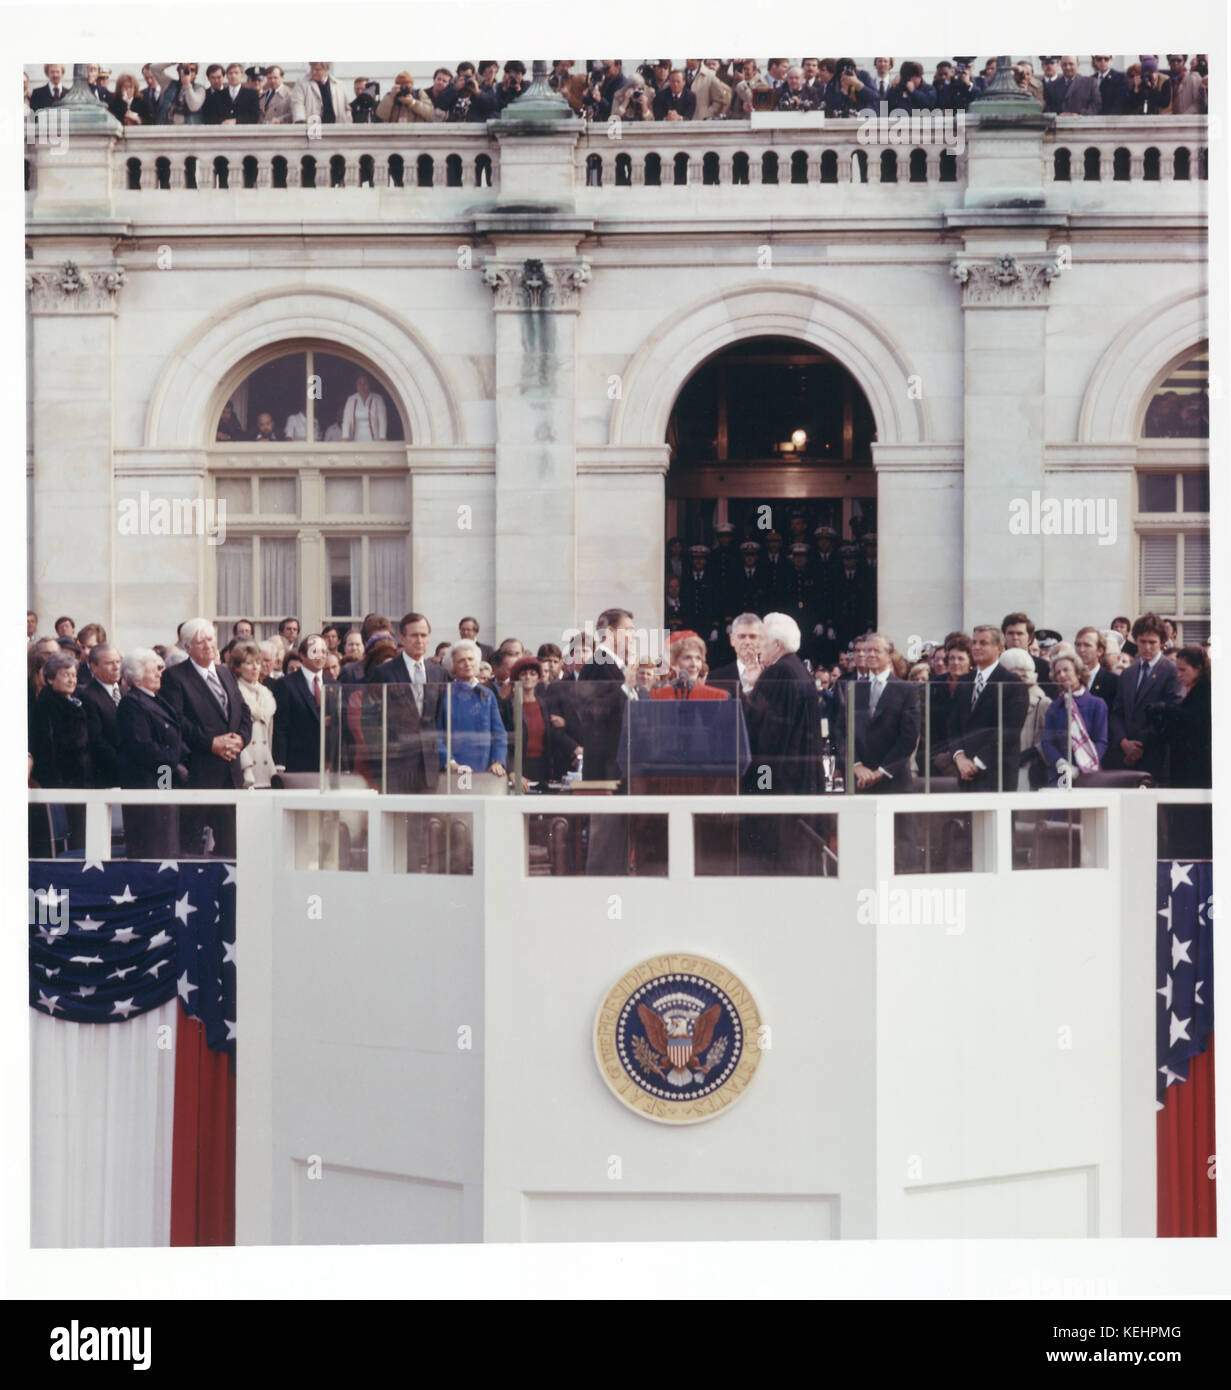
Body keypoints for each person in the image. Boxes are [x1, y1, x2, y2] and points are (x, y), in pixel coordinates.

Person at [159, 618, 251, 855]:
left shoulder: (225, 673)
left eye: (210, 639)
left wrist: (240, 740)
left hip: (231, 771)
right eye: (200, 642)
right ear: (187, 647)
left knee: (232, 846)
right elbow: (178, 721)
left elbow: (243, 711)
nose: (208, 645)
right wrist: (211, 743)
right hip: (199, 773)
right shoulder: (175, 677)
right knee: (188, 843)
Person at [365, 612, 448, 793]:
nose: (419, 640)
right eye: (414, 635)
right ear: (402, 637)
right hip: (396, 763)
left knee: (426, 818)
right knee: (399, 819)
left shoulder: (438, 673)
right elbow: (372, 720)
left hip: (428, 764)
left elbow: (436, 715)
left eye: (423, 635)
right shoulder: (384, 672)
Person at [116, 649, 187, 858]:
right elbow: (143, 746)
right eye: (152, 671)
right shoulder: (132, 704)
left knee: (167, 841)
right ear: (137, 677)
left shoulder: (157, 700)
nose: (159, 674)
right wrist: (174, 761)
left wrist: (182, 760)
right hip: (146, 783)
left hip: (163, 778)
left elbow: (175, 736)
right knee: (153, 846)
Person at [831, 632, 919, 792]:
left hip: (894, 780)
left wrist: (881, 771)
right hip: (859, 780)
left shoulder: (906, 690)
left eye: (876, 650)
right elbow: (841, 731)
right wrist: (855, 765)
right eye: (867, 650)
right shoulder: (853, 688)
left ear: (889, 655)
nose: (869, 654)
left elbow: (909, 737)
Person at [947, 625, 1029, 793]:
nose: (976, 647)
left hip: (997, 773)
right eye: (974, 642)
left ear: (999, 648)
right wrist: (960, 757)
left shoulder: (1012, 684)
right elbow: (953, 725)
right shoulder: (964, 682)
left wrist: (976, 763)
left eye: (983, 643)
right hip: (965, 773)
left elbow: (1009, 731)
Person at [1107, 613, 1182, 782]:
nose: (1147, 647)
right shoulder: (1127, 673)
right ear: (1136, 641)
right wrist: (1124, 742)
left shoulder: (1172, 671)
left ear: (1162, 642)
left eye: (1152, 642)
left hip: (1156, 756)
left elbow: (1171, 713)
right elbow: (1117, 712)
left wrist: (1138, 744)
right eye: (1142, 641)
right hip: (1125, 756)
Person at [439, 639, 507, 788]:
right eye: (461, 661)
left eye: (470, 659)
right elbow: (437, 735)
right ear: (453, 667)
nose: (467, 663)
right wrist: (451, 763)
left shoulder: (487, 694)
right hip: (455, 771)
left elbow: (499, 733)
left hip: (486, 771)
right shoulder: (445, 694)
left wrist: (498, 761)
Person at [509, 656, 579, 789]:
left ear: (539, 678)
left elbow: (553, 733)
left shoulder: (544, 703)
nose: (528, 677)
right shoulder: (510, 705)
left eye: (532, 674)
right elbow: (506, 741)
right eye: (523, 674)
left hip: (542, 767)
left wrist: (566, 727)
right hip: (520, 767)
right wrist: (512, 771)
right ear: (517, 678)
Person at [1042, 652, 1109, 786]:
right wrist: (1060, 762)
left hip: (1091, 773)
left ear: (1078, 673)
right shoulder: (1054, 707)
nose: (1061, 675)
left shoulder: (1096, 704)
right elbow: (1047, 743)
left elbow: (1101, 741)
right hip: (1061, 775)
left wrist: (1084, 765)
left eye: (1066, 670)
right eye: (1058, 672)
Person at [1150, 646, 1211, 788]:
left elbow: (1194, 718)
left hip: (1196, 767)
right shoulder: (1194, 689)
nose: (1179, 675)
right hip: (1187, 764)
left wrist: (1166, 708)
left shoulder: (1205, 690)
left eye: (1183, 670)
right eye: (1178, 670)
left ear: (1199, 668)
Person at [272, 634, 332, 774]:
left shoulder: (334, 685)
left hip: (328, 765)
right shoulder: (286, 684)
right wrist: (279, 763)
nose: (320, 656)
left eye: (324, 652)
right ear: (302, 655)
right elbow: (281, 727)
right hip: (297, 763)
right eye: (314, 651)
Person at [999, 648, 1052, 790]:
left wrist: (1026, 755)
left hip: (1027, 769)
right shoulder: (1001, 700)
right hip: (1003, 767)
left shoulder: (1042, 702)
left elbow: (1048, 740)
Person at [228, 641, 278, 787]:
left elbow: (269, 736)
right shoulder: (234, 693)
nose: (255, 667)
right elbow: (234, 733)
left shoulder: (266, 694)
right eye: (249, 663)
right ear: (238, 667)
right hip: (246, 768)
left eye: (257, 662)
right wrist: (245, 766)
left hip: (266, 766)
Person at [79, 643, 124, 787]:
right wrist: (124, 763)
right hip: (106, 776)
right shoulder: (87, 696)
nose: (116, 667)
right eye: (110, 663)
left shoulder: (126, 692)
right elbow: (96, 739)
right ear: (93, 667)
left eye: (118, 662)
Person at [651, 631, 729, 701]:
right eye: (687, 658)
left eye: (698, 658)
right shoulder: (658, 696)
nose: (694, 664)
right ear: (673, 662)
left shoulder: (719, 697)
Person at [1073, 625, 1119, 709]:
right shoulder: (1069, 678)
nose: (1081, 649)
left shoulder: (1113, 682)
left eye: (1087, 645)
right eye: (1078, 645)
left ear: (1100, 651)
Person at [342, 373, 388, 441]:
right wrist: (345, 436)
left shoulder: (377, 399)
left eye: (365, 383)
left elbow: (382, 419)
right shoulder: (351, 399)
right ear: (356, 385)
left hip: (374, 438)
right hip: (356, 437)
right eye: (359, 383)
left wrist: (383, 436)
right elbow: (346, 420)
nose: (362, 386)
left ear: (369, 384)